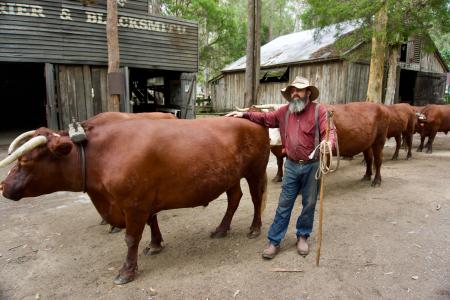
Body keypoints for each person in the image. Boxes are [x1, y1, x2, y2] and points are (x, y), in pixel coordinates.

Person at [226, 76, 335, 259]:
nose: (295, 93)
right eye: (292, 90)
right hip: (291, 166)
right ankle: (274, 241)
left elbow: (329, 131)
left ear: (308, 92)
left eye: (299, 90)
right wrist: (244, 115)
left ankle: (302, 236)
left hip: (312, 166)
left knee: (309, 204)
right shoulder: (284, 112)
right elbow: (265, 118)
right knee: (284, 204)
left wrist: (328, 143)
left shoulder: (319, 111)